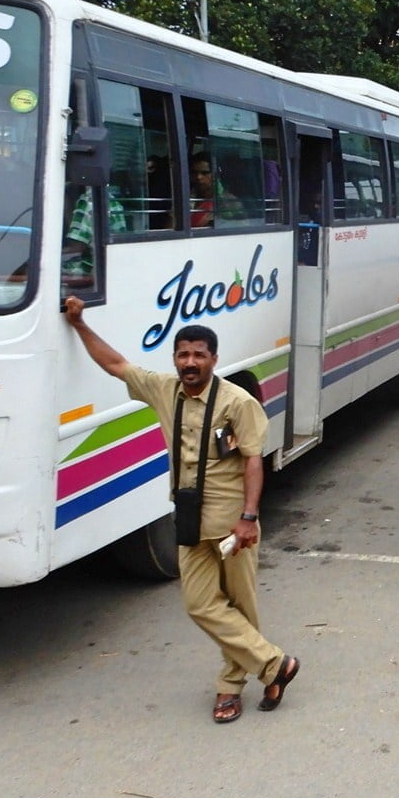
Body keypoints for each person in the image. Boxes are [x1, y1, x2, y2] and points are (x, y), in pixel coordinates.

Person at [62, 296, 300, 722]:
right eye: (183, 354)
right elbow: (115, 364)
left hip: (232, 524)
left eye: (199, 355)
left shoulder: (237, 402)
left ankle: (230, 688)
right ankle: (273, 664)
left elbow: (252, 460)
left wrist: (249, 517)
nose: (190, 362)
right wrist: (80, 325)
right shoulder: (164, 390)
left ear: (214, 359)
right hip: (190, 521)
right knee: (200, 604)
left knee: (240, 607)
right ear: (175, 358)